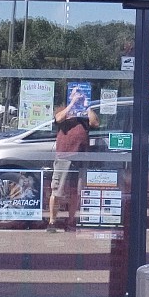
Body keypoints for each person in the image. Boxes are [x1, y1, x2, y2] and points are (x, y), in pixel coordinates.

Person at [48, 89, 98, 230]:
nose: (78, 95)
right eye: (75, 92)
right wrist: (72, 104)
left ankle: (70, 222)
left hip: (80, 156)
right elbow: (58, 119)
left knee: (76, 191)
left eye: (80, 93)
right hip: (64, 156)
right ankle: (52, 222)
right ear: (70, 94)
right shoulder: (63, 109)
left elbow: (94, 123)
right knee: (57, 190)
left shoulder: (86, 111)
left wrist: (87, 106)